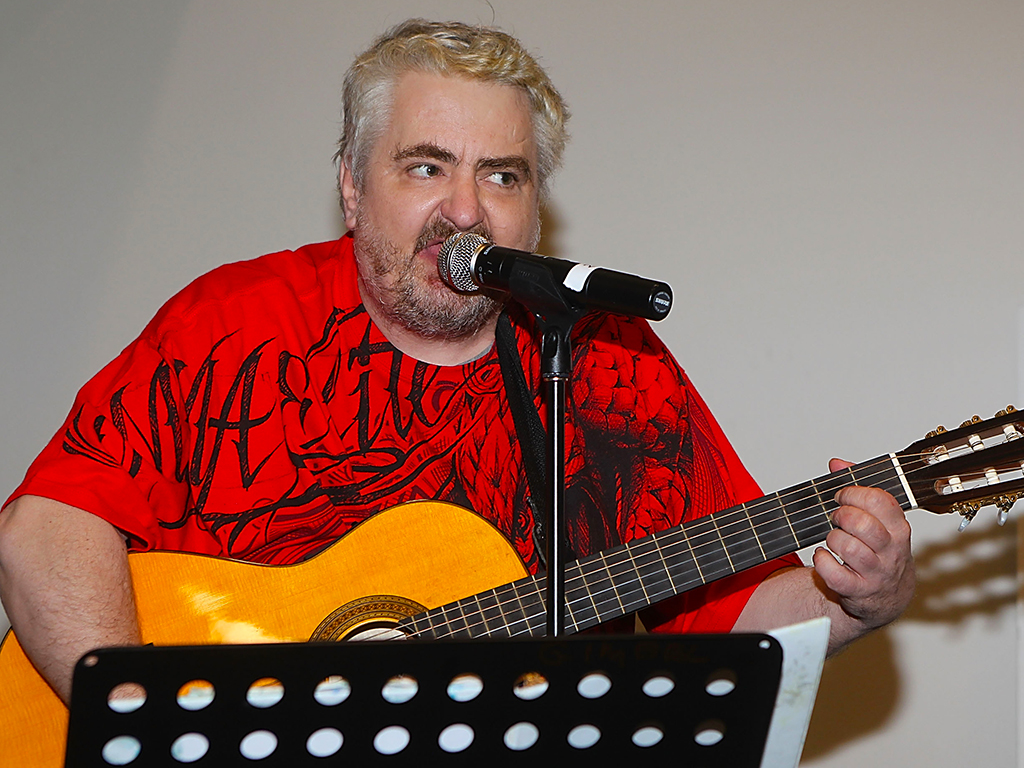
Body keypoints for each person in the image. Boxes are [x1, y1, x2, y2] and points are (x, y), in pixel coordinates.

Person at [0, 19, 914, 706]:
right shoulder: (237, 325)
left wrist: (856, 601)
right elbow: (46, 530)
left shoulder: (606, 360)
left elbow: (728, 616)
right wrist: (144, 724)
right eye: (427, 167)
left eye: (503, 175)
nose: (468, 211)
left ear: (537, 209)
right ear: (354, 187)